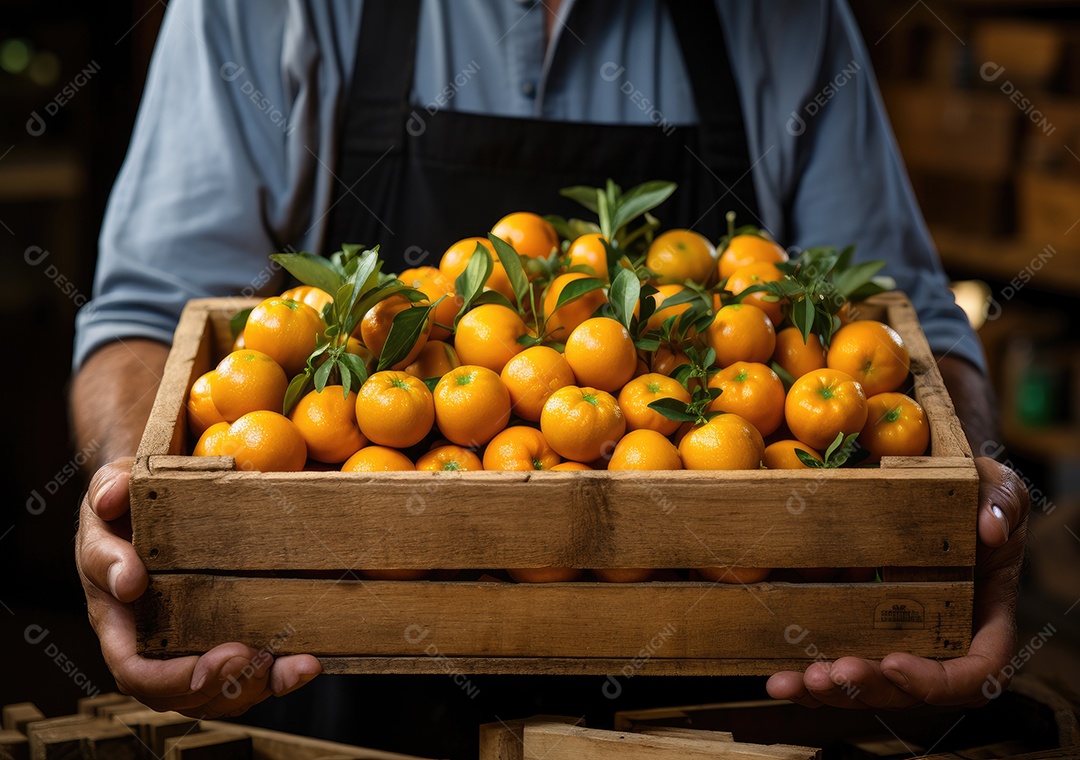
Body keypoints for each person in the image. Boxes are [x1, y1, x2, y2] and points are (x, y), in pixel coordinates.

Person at [73, 0, 1030, 729]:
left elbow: (909, 324)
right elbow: (152, 309)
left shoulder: (783, 16)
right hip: (339, 690)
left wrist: (961, 513)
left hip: (722, 705)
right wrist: (138, 502)